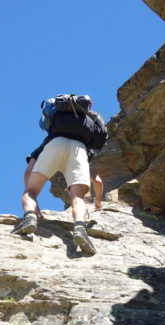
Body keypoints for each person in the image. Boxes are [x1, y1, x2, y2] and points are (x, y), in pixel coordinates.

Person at [12, 96, 106, 256]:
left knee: (30, 192)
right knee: (78, 198)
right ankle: (80, 229)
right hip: (79, 148)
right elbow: (97, 181)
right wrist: (98, 201)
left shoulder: (46, 142)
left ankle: (30, 218)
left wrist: (34, 202)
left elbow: (28, 171)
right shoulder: (87, 148)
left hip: (55, 144)